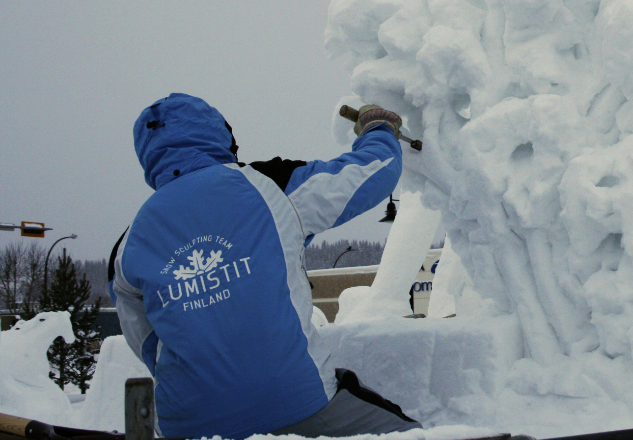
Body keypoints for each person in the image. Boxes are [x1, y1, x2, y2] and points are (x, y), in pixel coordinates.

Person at [108, 93, 421, 439]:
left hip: (188, 424)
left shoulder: (127, 245)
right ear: (219, 134)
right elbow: (370, 173)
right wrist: (378, 128)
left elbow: (146, 341)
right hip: (296, 402)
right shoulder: (269, 185)